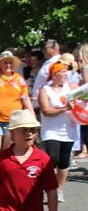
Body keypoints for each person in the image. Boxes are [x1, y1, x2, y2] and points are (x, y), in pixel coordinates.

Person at [38, 61, 78, 203]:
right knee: (52, 158)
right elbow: (46, 111)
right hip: (51, 130)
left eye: (66, 71)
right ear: (54, 74)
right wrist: (64, 109)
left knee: (64, 160)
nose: (66, 74)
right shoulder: (45, 90)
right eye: (62, 71)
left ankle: (59, 189)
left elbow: (83, 98)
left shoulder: (72, 87)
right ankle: (47, 188)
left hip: (68, 130)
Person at [31, 39, 61, 106]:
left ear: (53, 49)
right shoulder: (49, 62)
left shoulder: (57, 62)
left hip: (47, 102)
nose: (43, 51)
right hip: (39, 102)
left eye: (46, 48)